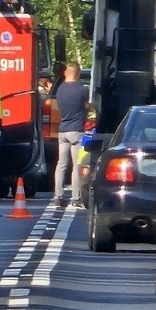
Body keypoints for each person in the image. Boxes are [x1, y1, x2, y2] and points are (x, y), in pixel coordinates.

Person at [54, 60, 90, 209]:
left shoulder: (60, 90)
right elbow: (88, 106)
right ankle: (75, 198)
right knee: (76, 165)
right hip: (77, 131)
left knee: (61, 164)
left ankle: (58, 196)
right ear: (78, 74)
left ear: (65, 73)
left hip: (62, 131)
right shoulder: (82, 90)